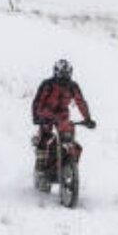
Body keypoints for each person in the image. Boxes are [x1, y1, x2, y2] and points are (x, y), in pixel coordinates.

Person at [31, 59, 96, 188]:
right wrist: (37, 117)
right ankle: (41, 171)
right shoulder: (47, 85)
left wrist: (88, 119)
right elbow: (37, 102)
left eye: (67, 73)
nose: (64, 77)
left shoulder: (73, 87)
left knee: (70, 141)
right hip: (47, 117)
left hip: (62, 118)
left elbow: (80, 102)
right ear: (56, 72)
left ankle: (68, 166)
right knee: (44, 139)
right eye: (62, 73)